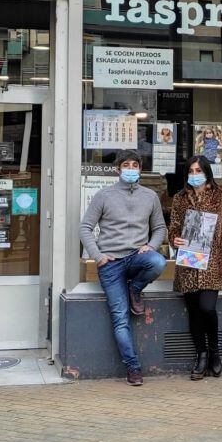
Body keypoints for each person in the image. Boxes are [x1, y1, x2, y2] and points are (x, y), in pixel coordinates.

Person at [79, 150, 167, 387]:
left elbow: (160, 228)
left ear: (140, 169)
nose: (130, 169)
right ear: (118, 169)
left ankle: (135, 288)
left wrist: (151, 245)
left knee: (158, 262)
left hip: (137, 257)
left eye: (135, 165)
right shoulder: (104, 195)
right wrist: (98, 256)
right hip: (111, 264)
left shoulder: (150, 196)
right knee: (120, 319)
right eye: (126, 165)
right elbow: (85, 228)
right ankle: (133, 367)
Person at [170, 155, 222, 381]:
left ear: (207, 172)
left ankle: (214, 352)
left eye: (198, 171)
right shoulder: (180, 198)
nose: (194, 175)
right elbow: (173, 228)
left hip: (213, 264)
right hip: (189, 264)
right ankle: (201, 355)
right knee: (193, 311)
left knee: (207, 307)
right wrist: (175, 240)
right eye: (190, 171)